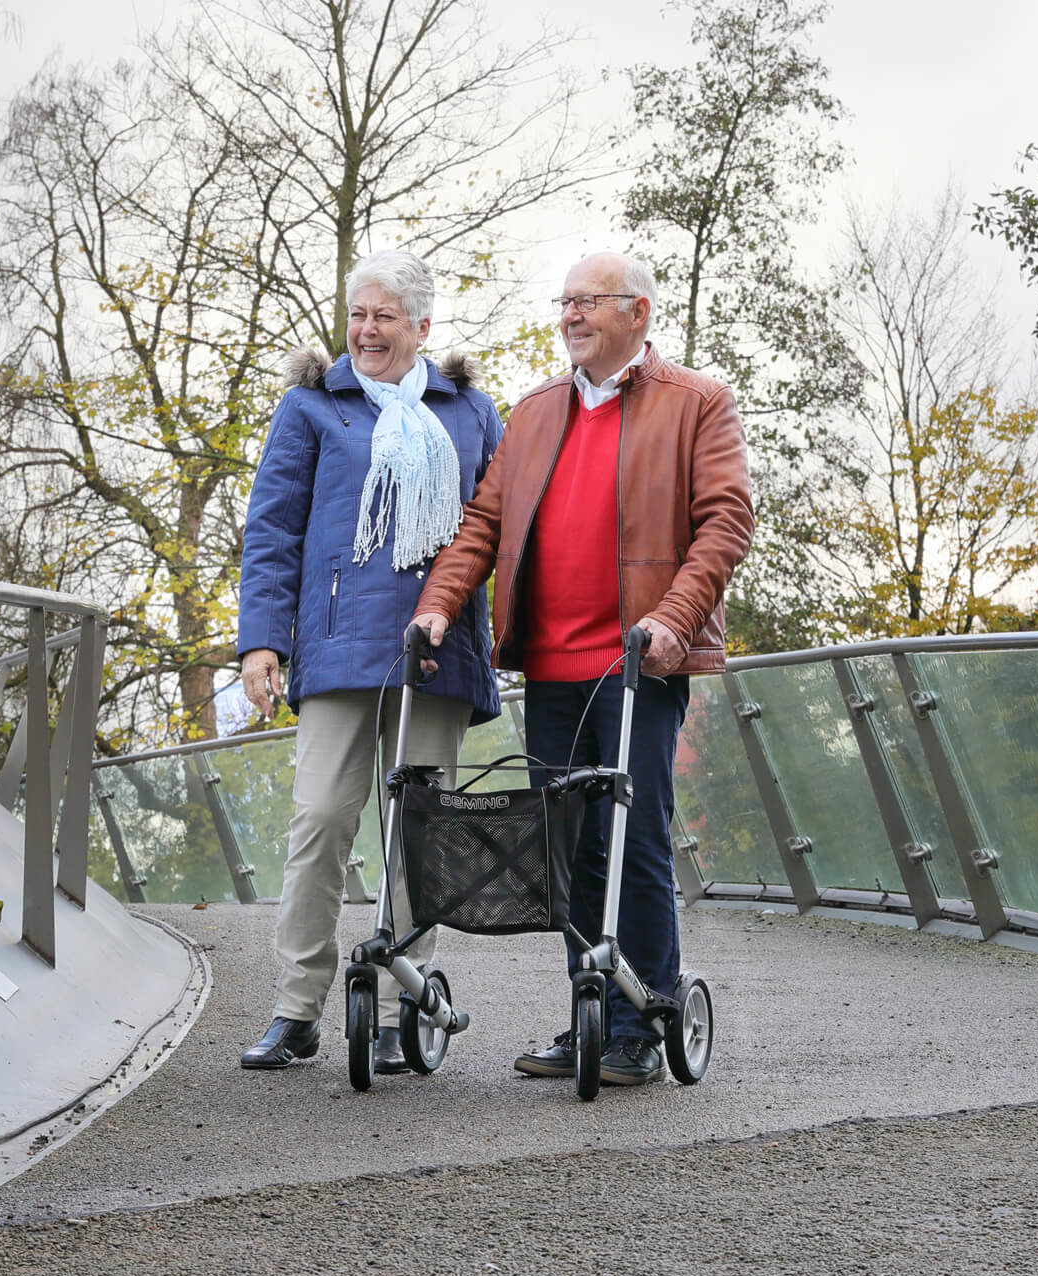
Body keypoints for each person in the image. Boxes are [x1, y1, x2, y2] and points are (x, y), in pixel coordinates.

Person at [409, 250, 752, 1086]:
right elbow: (483, 525)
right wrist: (439, 604)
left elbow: (726, 521)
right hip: (553, 668)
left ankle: (642, 1022)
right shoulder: (535, 413)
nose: (570, 315)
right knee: (569, 850)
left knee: (634, 839)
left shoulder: (697, 402)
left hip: (639, 665)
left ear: (637, 312)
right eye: (565, 301)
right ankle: (592, 1010)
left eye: (588, 301)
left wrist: (673, 619)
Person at [236, 250, 503, 1073]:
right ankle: (296, 1008)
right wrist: (261, 640)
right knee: (319, 820)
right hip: (336, 650)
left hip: (436, 655)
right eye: (358, 314)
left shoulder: (471, 412)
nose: (367, 330)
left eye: (385, 316)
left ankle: (398, 1009)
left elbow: (500, 528)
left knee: (416, 838)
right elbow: (273, 528)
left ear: (422, 326)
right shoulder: (312, 406)